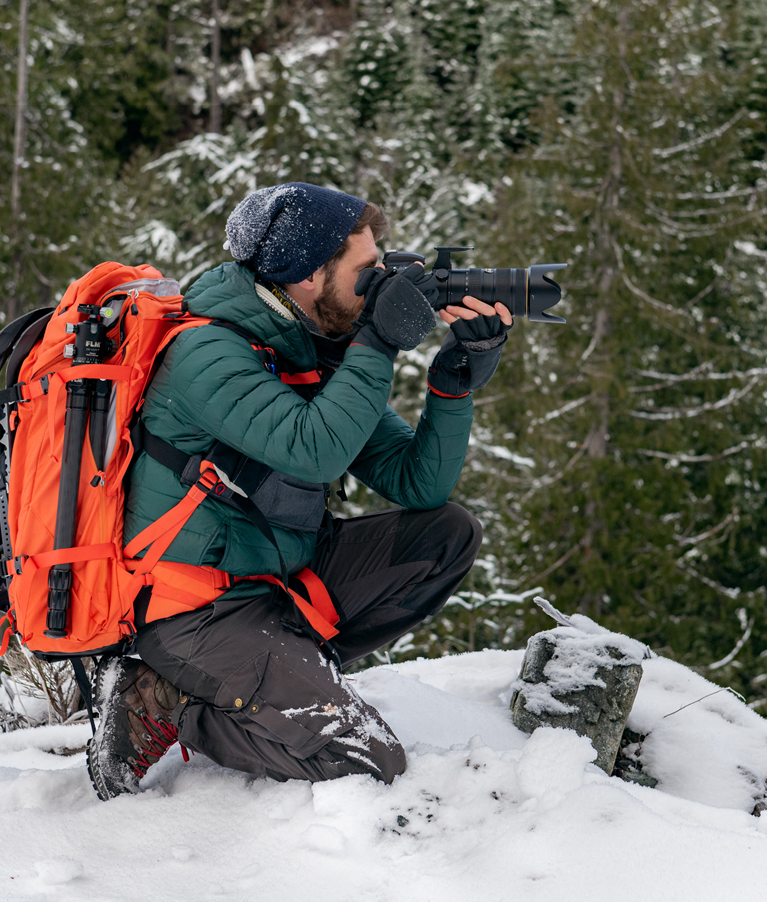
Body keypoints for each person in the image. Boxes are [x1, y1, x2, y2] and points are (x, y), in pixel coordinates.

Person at [92, 182, 512, 793]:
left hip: (280, 591)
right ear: (311, 276)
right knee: (372, 764)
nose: (380, 284)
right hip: (195, 613)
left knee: (447, 535)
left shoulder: (311, 347)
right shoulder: (206, 351)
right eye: (367, 272)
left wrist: (453, 385)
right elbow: (314, 451)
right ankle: (170, 701)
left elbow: (417, 483)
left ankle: (286, 676)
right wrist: (377, 341)